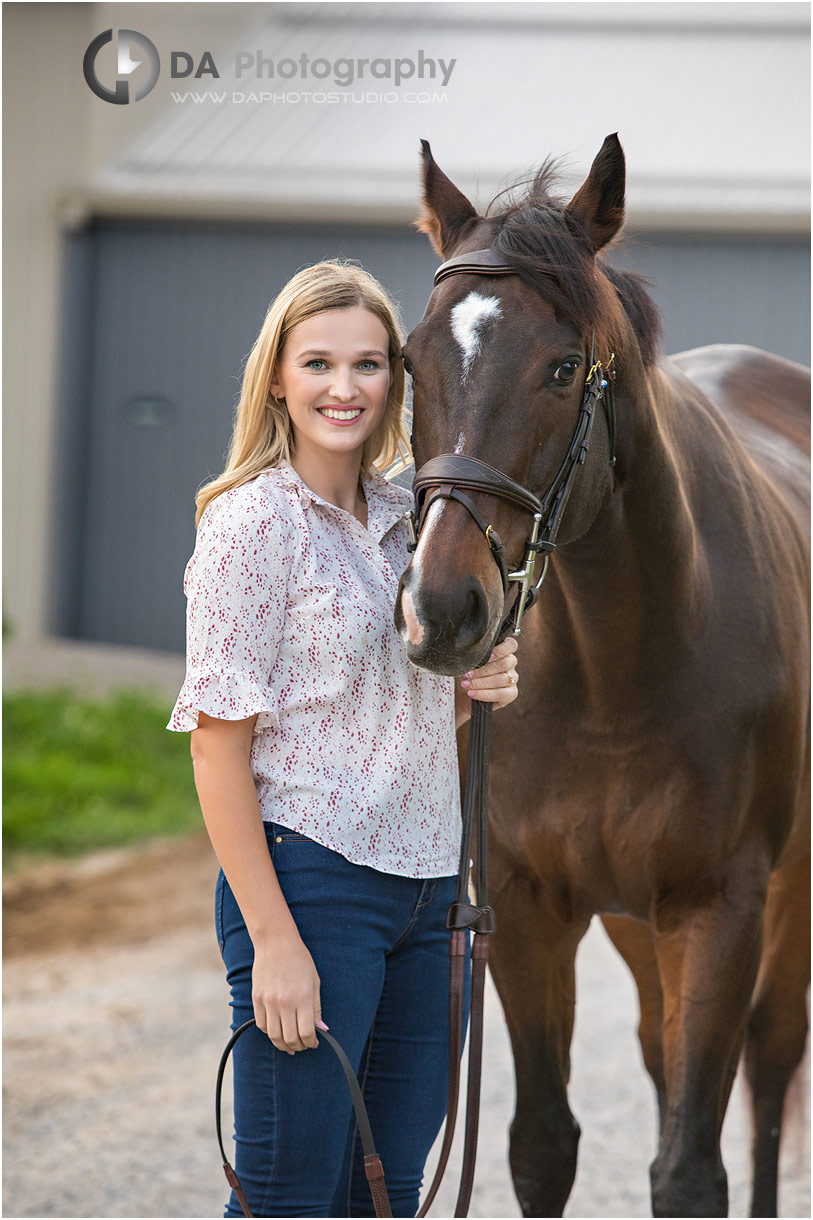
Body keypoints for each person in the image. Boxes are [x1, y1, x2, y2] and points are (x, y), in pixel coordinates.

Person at [166, 259, 519, 1218]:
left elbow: (395, 712)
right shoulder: (251, 525)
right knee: (289, 1195)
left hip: (430, 891)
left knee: (384, 1193)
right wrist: (274, 942)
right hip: (312, 883)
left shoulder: (418, 522)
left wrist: (478, 684)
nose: (343, 387)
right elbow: (216, 747)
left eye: (368, 364)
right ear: (277, 377)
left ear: (396, 381)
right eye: (318, 362)